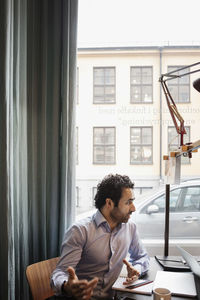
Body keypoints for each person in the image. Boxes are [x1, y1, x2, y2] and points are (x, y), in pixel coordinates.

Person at [51, 174, 149, 300]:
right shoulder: (80, 231)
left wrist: (137, 269)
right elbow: (60, 272)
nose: (133, 208)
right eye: (128, 202)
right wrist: (66, 286)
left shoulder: (130, 228)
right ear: (109, 203)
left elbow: (142, 256)